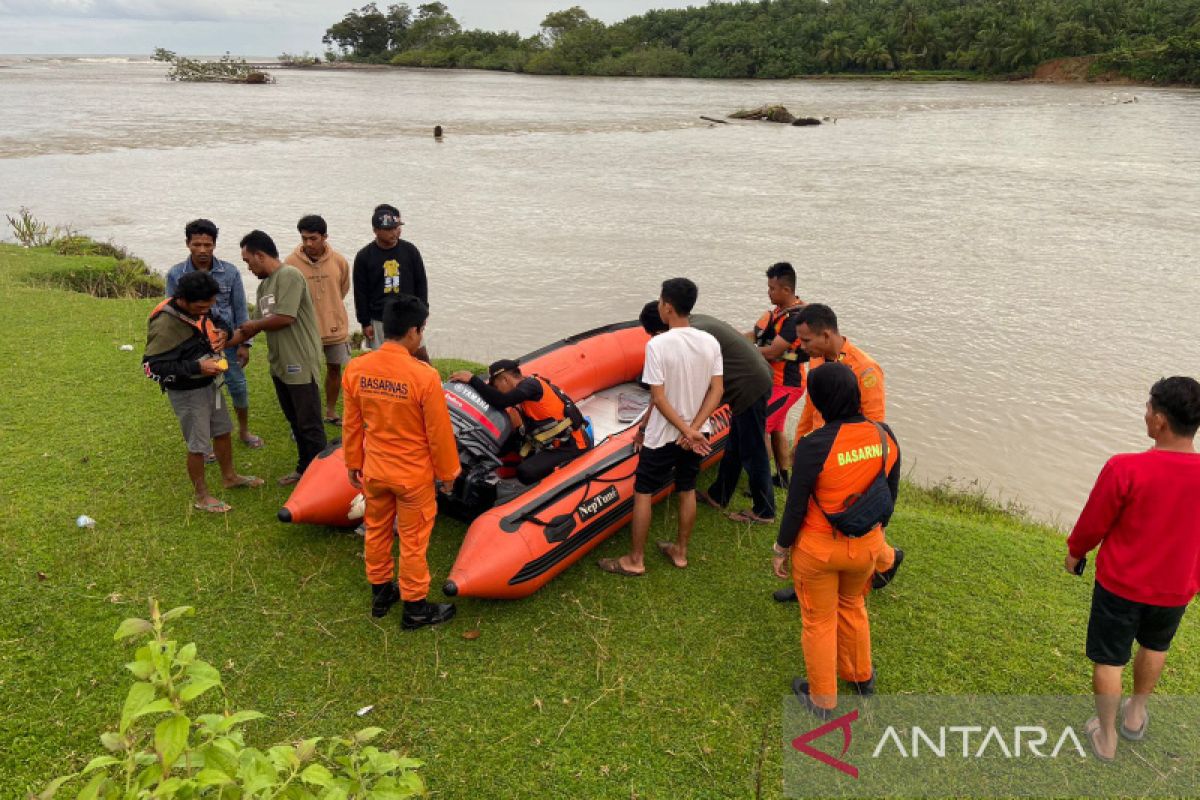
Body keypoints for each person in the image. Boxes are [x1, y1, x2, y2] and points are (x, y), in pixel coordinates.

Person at [1065, 376, 1200, 762]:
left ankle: (1106, 738)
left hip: (1121, 586)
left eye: (1147, 409)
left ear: (1159, 420)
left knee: (1110, 658)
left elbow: (1094, 522)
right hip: (1176, 588)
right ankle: (1136, 714)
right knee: (1156, 645)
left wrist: (1076, 552)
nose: (1145, 415)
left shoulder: (1126, 468)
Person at [772, 362, 901, 719]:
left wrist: (781, 549)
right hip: (866, 546)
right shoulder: (883, 434)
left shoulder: (814, 446)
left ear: (819, 400)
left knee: (818, 621)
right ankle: (861, 677)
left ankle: (823, 701)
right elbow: (890, 496)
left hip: (818, 551)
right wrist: (873, 537)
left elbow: (796, 507)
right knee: (853, 606)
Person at [342, 294, 460, 629]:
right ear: (413, 331)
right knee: (413, 541)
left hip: (375, 473)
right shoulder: (423, 376)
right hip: (412, 478)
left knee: (377, 531)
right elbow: (439, 433)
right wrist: (449, 473)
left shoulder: (357, 369)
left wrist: (353, 462)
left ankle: (381, 593)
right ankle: (415, 608)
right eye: (421, 330)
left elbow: (352, 424)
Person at [773, 303, 902, 602]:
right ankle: (809, 578)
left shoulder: (865, 370)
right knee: (810, 518)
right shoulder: (817, 361)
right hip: (818, 454)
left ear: (827, 335)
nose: (802, 348)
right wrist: (799, 443)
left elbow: (875, 426)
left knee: (851, 520)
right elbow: (810, 408)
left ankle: (886, 560)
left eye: (806, 341)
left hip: (846, 462)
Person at [598, 278, 723, 576]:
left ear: (667, 307)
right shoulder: (710, 341)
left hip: (663, 436)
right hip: (695, 434)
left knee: (643, 491)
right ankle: (680, 551)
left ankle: (635, 559)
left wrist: (684, 430)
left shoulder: (657, 344)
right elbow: (716, 390)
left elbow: (658, 397)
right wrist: (693, 429)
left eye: (660, 301)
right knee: (687, 488)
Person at [639, 301, 776, 523]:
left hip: (749, 384)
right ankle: (718, 495)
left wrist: (689, 430)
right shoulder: (694, 324)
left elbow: (695, 388)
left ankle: (765, 510)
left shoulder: (691, 337)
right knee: (734, 446)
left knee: (753, 450)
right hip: (752, 375)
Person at [143, 271, 263, 512]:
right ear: (183, 299)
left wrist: (223, 334)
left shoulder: (201, 308)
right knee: (198, 444)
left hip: (209, 383)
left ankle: (230, 477)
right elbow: (151, 367)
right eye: (201, 306)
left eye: (209, 305)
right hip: (187, 392)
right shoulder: (166, 323)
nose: (205, 310)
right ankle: (202, 497)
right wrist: (197, 366)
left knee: (223, 430)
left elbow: (219, 321)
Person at [230, 230, 327, 486]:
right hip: (279, 364)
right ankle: (304, 468)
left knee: (309, 423)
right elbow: (251, 324)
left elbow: (286, 318)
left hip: (300, 361)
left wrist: (254, 327)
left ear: (260, 255)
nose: (248, 267)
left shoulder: (289, 275)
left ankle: (321, 478)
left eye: (249, 261)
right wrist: (225, 341)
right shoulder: (264, 285)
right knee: (295, 420)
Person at [166, 218, 263, 452]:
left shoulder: (230, 272)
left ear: (215, 245)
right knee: (203, 393)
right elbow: (172, 312)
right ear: (188, 244)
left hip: (227, 342)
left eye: (207, 245)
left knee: (238, 386)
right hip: (194, 347)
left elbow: (240, 309)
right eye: (197, 244)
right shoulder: (175, 274)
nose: (202, 250)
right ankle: (205, 443)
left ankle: (243, 430)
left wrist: (244, 344)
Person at [449, 361, 591, 485]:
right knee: (505, 445)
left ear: (504, 379)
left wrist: (473, 379)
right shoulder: (526, 393)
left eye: (496, 386)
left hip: (572, 445)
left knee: (525, 472)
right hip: (552, 444)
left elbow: (501, 401)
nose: (496, 390)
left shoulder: (531, 385)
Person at [284, 214, 352, 425]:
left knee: (334, 368)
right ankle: (307, 414)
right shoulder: (290, 263)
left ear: (324, 237)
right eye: (304, 238)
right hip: (305, 330)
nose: (308, 243)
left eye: (313, 238)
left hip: (334, 328)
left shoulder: (339, 261)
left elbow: (342, 288)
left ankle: (330, 411)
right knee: (306, 375)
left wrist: (330, 310)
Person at [751, 262, 807, 488]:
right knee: (777, 429)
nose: (768, 292)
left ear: (786, 290)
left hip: (787, 385)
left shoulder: (796, 319)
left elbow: (774, 351)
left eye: (772, 288)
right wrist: (730, 341)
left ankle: (761, 484)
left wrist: (748, 353)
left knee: (761, 425)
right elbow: (754, 335)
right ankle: (783, 478)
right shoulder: (777, 312)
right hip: (773, 382)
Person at [352, 204, 428, 357]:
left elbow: (421, 283)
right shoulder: (364, 256)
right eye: (388, 229)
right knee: (386, 360)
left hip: (409, 315)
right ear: (375, 230)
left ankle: (429, 381)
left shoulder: (410, 251)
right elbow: (360, 292)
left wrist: (423, 312)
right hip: (380, 319)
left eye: (396, 228)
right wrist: (365, 322)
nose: (394, 233)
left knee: (421, 357)